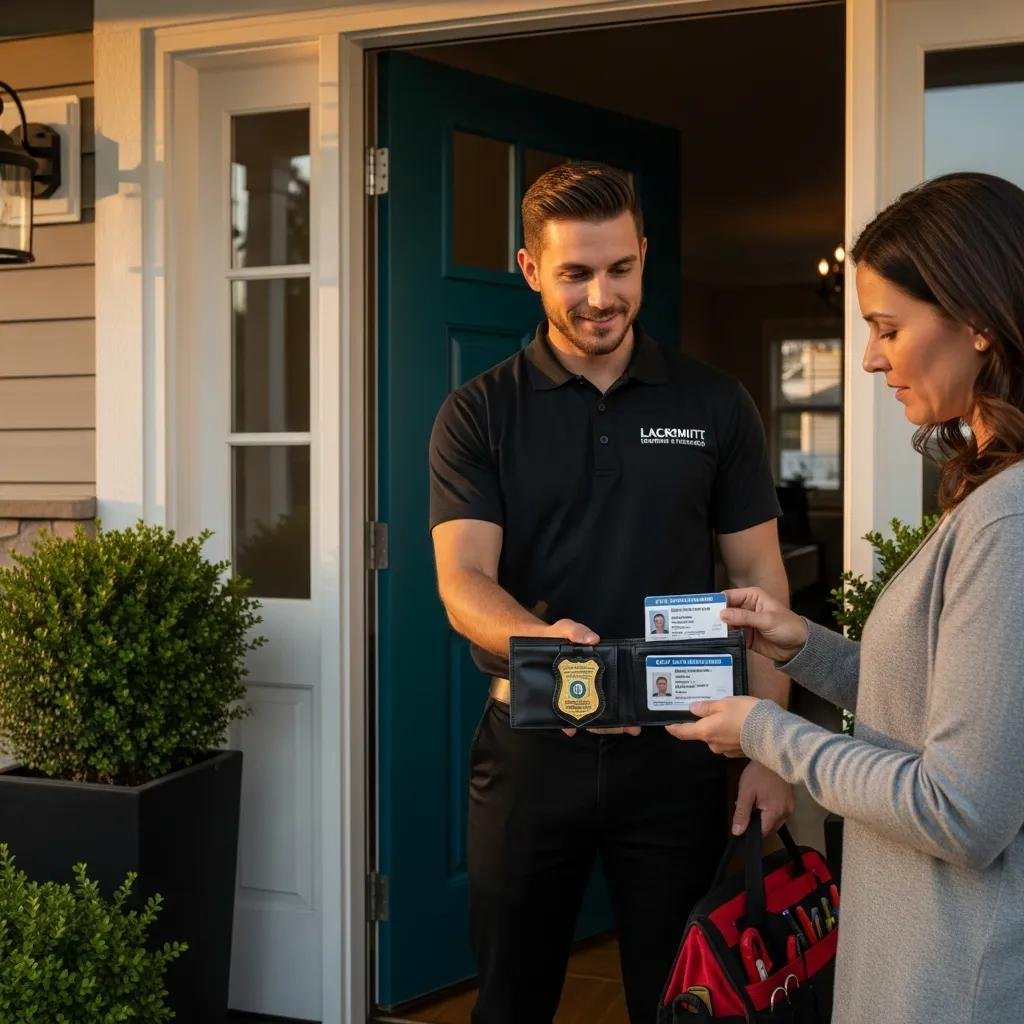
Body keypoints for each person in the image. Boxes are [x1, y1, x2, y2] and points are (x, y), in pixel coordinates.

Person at [429, 162, 795, 1024]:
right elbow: (463, 581)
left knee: (682, 1001)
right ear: (528, 268)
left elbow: (760, 582)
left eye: (620, 269)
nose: (601, 295)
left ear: (643, 256)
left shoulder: (715, 404)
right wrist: (552, 650)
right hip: (530, 749)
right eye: (575, 273)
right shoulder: (479, 412)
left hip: (684, 748)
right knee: (510, 999)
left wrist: (770, 748)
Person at [670, 172, 1024, 1024]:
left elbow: (961, 811)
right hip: (919, 950)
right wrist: (803, 646)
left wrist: (764, 729)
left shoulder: (1007, 521)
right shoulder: (992, 498)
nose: (868, 357)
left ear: (977, 322)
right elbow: (942, 711)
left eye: (887, 328)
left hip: (952, 977)